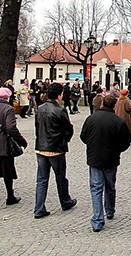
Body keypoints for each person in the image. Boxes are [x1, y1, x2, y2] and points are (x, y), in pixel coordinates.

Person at [80, 95, 131, 232]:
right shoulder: (118, 122)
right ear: (114, 106)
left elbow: (83, 136)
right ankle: (109, 210)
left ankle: (98, 219)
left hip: (95, 158)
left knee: (96, 188)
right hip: (111, 159)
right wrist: (117, 150)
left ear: (103, 103)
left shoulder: (91, 119)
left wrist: (92, 145)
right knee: (110, 186)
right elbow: (126, 141)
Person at [34, 82, 77, 219]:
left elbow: (37, 127)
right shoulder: (60, 110)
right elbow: (68, 129)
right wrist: (64, 141)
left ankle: (38, 208)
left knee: (41, 179)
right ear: (60, 94)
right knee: (60, 177)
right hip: (56, 149)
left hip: (41, 148)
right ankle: (65, 201)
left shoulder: (40, 109)